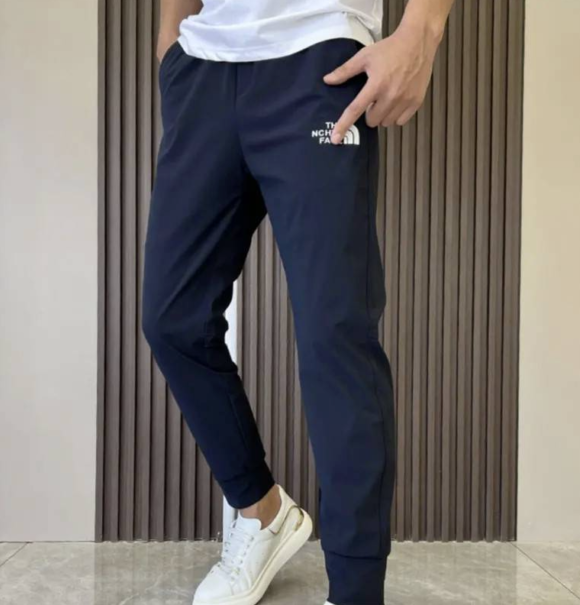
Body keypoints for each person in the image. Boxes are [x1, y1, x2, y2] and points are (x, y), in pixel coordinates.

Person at [142, 1, 455, 604]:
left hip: (318, 57)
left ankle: (356, 590)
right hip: (202, 67)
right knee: (172, 320)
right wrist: (170, 43)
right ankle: (260, 512)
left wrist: (422, 30)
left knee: (334, 331)